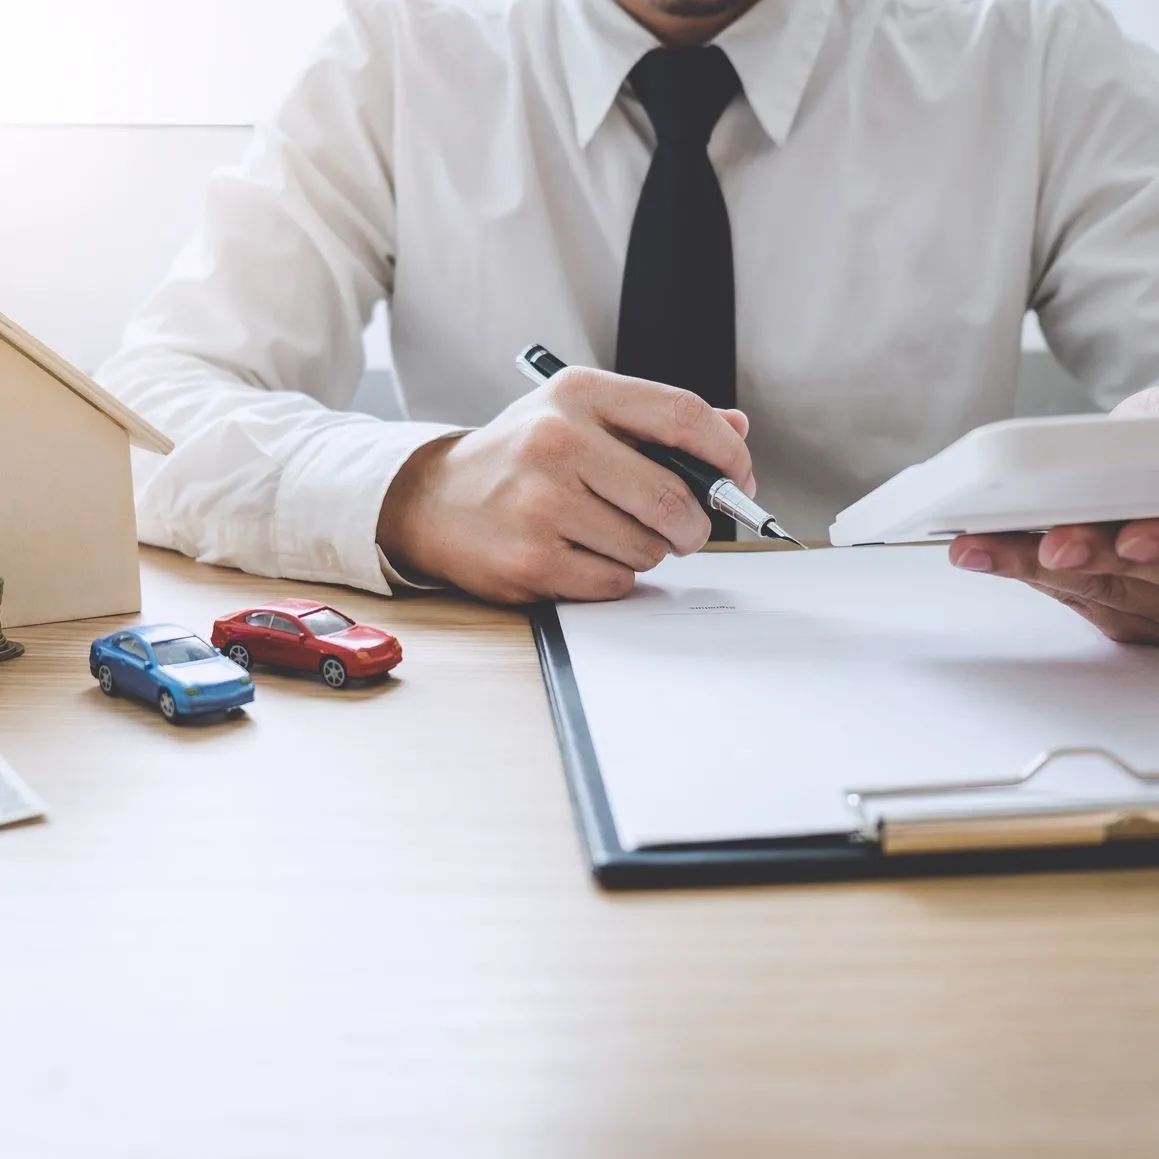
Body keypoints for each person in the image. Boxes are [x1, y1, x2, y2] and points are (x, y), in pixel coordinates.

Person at [99, 0, 1159, 642]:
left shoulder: (1032, 45)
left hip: (949, 692)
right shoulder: (401, 46)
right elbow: (138, 417)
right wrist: (419, 491)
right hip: (497, 706)